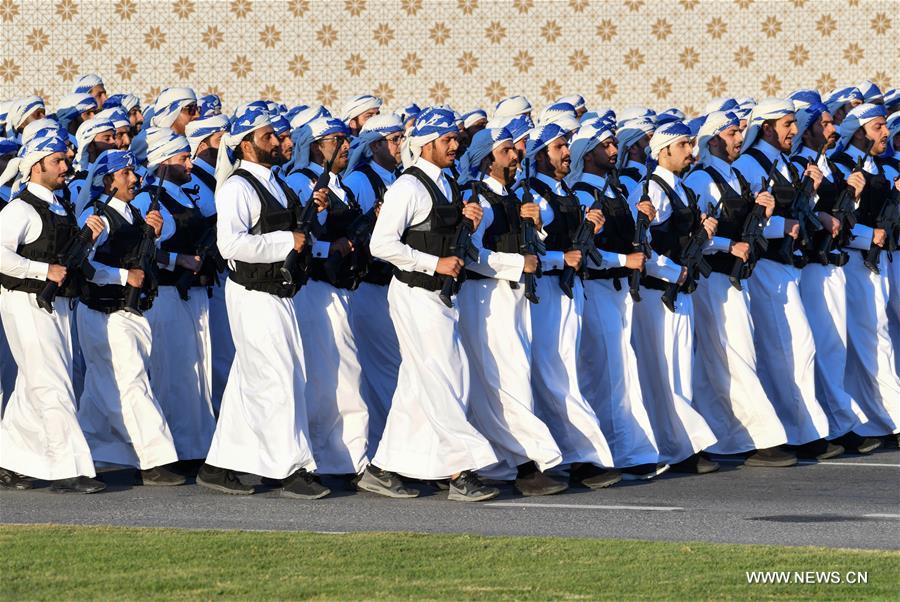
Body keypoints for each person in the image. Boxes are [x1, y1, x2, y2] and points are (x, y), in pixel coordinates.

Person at [362, 108, 500, 502]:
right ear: (425, 145)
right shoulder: (408, 186)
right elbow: (381, 244)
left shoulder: (449, 184)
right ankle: (461, 470)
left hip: (441, 295)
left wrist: (471, 223)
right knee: (444, 377)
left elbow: (450, 239)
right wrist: (432, 262)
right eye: (446, 140)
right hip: (415, 293)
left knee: (419, 383)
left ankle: (384, 468)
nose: (455, 145)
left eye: (456, 138)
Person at [200, 104, 329, 499]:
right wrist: (285, 242)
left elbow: (293, 231)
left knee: (250, 378)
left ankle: (219, 465)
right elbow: (231, 245)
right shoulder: (237, 186)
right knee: (277, 377)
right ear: (245, 145)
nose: (278, 141)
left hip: (279, 292)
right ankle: (291, 468)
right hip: (253, 294)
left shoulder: (276, 181)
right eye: (268, 137)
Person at [456, 126, 567, 495]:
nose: (516, 156)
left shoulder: (514, 197)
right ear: (489, 158)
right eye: (507, 152)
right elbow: (470, 255)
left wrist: (535, 227)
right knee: (505, 381)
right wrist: (516, 264)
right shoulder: (480, 199)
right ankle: (526, 462)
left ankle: (512, 461)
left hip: (515, 298)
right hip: (487, 299)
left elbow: (532, 247)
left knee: (512, 379)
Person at [683, 111, 797, 466]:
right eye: (733, 133)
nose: (738, 138)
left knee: (722, 360)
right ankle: (764, 438)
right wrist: (728, 248)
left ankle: (722, 438)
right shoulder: (702, 178)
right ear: (714, 139)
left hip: (736, 279)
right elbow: (698, 236)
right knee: (734, 355)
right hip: (714, 279)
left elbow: (747, 227)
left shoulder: (733, 175)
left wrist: (765, 217)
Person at [732, 99, 842, 460]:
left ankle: (800, 429)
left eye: (795, 124)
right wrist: (783, 225)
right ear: (766, 128)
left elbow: (793, 210)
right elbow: (745, 219)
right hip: (764, 267)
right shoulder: (749, 164)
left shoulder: (780, 162)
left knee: (795, 347)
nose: (793, 132)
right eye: (787, 125)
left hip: (785, 266)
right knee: (787, 348)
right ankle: (796, 432)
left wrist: (811, 197)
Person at [0, 134, 105, 493]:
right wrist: (41, 272)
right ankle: (69, 468)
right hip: (27, 302)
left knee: (34, 383)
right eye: (57, 161)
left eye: (64, 160)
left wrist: (90, 238)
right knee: (52, 382)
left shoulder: (61, 207)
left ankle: (10, 459)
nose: (65, 167)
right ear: (36, 165)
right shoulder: (19, 209)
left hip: (57, 304)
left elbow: (71, 259)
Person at [518, 123, 619, 489]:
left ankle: (569, 455)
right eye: (559, 147)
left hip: (568, 293)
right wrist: (562, 256)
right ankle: (578, 457)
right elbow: (529, 253)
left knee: (564, 375)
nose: (566, 153)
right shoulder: (532, 196)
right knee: (553, 376)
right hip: (545, 293)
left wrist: (590, 226)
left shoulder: (563, 192)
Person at [75, 149, 184, 485]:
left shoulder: (133, 214)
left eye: (133, 173)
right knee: (133, 381)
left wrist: (156, 231)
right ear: (109, 180)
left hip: (129, 311)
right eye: (125, 174)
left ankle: (90, 448)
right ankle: (155, 458)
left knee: (100, 385)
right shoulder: (99, 218)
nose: (134, 179)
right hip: (106, 312)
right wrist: (123, 277)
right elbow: (83, 264)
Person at [566, 121, 668, 479]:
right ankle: (599, 456)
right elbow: (586, 251)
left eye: (613, 145)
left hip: (619, 292)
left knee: (620, 372)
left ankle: (626, 451)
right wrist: (625, 261)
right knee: (605, 373)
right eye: (606, 145)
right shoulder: (581, 193)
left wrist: (645, 223)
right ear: (588, 152)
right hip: (596, 289)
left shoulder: (617, 191)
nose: (613, 151)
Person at [628, 120, 720, 474]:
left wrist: (704, 233)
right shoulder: (653, 190)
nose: (690, 152)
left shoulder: (680, 189)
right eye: (683, 146)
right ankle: (680, 447)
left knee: (680, 370)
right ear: (663, 151)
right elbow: (643, 244)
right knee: (664, 371)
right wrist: (671, 271)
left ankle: (681, 444)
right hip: (659, 294)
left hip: (680, 291)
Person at [790, 102, 880, 454]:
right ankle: (832, 425)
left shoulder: (824, 165)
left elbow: (840, 215)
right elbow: (801, 215)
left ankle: (837, 422)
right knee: (818, 347)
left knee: (832, 348)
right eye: (824, 124)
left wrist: (851, 196)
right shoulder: (801, 166)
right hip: (811, 266)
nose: (832, 129)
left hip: (832, 263)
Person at [283, 116, 370, 481]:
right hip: (315, 291)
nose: (346, 147)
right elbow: (296, 236)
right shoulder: (300, 182)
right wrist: (326, 244)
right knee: (332, 377)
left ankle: (341, 456)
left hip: (341, 289)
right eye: (336, 141)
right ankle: (343, 459)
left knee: (341, 373)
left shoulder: (340, 186)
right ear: (317, 146)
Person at [131, 128, 216, 471]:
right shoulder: (147, 199)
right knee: (172, 372)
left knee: (198, 372)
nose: (190, 164)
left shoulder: (188, 194)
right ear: (165, 160)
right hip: (166, 295)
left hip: (194, 295)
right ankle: (170, 451)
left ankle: (195, 446)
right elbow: (143, 250)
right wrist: (176, 262)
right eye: (183, 158)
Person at [829, 103, 900, 444]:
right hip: (856, 263)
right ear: (858, 132)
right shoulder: (841, 166)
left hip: (878, 263)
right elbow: (834, 220)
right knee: (873, 339)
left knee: (875, 339)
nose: (885, 133)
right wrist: (866, 235)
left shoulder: (879, 166)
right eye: (877, 127)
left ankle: (876, 417)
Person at [342, 114, 405, 450]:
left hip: (393, 287)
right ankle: (385, 446)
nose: (400, 147)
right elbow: (360, 237)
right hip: (370, 286)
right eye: (395, 140)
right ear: (376, 144)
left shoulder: (398, 178)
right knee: (384, 369)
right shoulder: (361, 181)